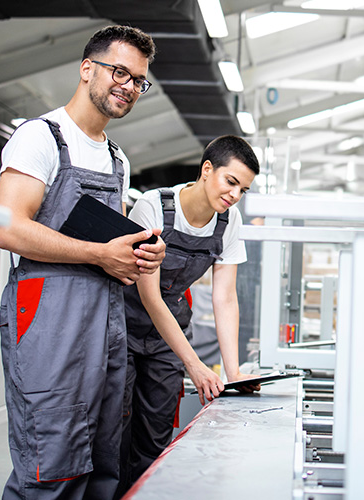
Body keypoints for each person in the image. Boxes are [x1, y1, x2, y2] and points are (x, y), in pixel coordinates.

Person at [0, 25, 166, 500]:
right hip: (48, 317)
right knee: (51, 465)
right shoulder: (41, 137)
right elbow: (8, 228)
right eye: (119, 72)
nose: (128, 86)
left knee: (101, 462)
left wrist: (141, 251)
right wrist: (99, 254)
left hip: (105, 323)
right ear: (87, 68)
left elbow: (113, 242)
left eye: (138, 80)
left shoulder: (117, 158)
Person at [119, 135, 261, 490]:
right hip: (124, 328)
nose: (234, 195)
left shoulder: (229, 223)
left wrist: (233, 375)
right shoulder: (154, 207)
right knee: (113, 433)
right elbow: (149, 296)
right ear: (207, 169)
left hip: (169, 338)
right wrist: (195, 365)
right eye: (231, 182)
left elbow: (225, 298)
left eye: (243, 190)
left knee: (155, 435)